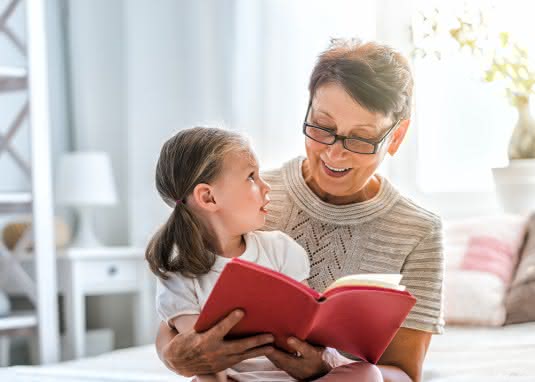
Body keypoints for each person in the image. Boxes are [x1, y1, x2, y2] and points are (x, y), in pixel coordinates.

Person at [155, 38, 444, 382]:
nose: (335, 154)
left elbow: (404, 375)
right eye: (323, 127)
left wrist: (324, 368)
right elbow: (179, 312)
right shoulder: (247, 198)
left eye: (361, 139)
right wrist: (176, 357)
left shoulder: (419, 231)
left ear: (395, 138)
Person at [147, 126, 334, 381]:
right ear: (208, 197)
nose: (266, 186)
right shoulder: (179, 276)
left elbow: (307, 327)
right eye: (251, 177)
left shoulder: (281, 249)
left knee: (368, 374)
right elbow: (205, 360)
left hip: (300, 375)